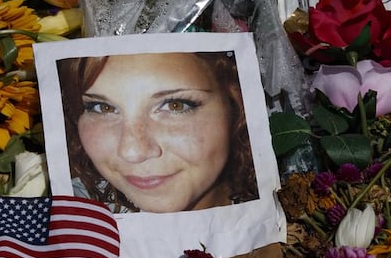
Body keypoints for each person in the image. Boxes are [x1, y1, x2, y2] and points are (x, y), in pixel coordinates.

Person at [58, 51, 257, 214]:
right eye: (103, 108)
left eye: (175, 106)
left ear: (236, 105)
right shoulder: (73, 209)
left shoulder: (282, 221)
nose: (133, 152)